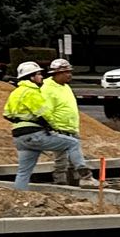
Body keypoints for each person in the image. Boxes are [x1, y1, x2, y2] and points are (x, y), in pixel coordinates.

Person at [39, 56, 87, 186]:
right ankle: (60, 184)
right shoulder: (47, 89)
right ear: (56, 74)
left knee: (73, 159)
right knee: (61, 159)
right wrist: (52, 127)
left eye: (69, 72)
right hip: (59, 129)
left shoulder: (65, 87)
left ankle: (75, 183)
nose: (69, 75)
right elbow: (45, 111)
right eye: (66, 72)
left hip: (71, 128)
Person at [4, 61, 50, 188]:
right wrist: (50, 126)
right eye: (39, 74)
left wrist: (20, 121)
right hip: (33, 132)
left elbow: (6, 114)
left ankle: (19, 196)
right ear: (31, 77)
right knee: (71, 143)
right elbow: (42, 114)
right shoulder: (31, 91)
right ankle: (84, 175)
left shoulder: (15, 92)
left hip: (18, 133)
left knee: (23, 171)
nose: (42, 77)